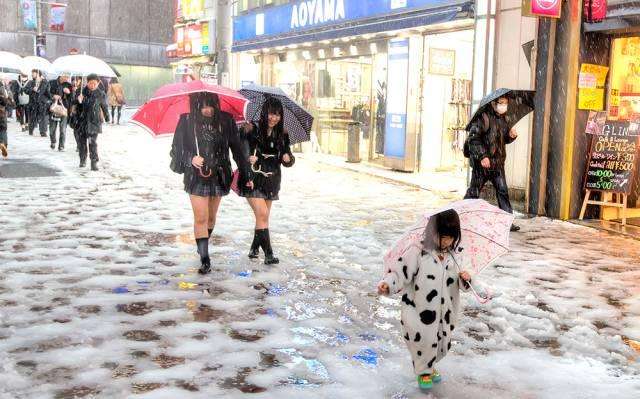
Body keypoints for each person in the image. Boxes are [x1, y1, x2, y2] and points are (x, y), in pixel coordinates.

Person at [377, 209, 473, 392]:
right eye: (442, 237)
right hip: (419, 310)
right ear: (432, 233)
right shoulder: (417, 252)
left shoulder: (456, 255)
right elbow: (400, 272)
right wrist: (388, 284)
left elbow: (463, 282)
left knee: (442, 343)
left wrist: (467, 278)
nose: (446, 242)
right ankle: (424, 371)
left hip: (446, 311)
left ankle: (430, 364)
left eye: (450, 238)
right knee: (424, 341)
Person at [170, 92, 253, 275]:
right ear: (196, 106)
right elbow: (176, 150)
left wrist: (246, 171)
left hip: (219, 174)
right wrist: (190, 158)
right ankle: (205, 258)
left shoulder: (226, 121)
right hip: (196, 176)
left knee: (210, 218)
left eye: (211, 106)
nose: (208, 110)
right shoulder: (187, 121)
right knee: (200, 217)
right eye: (203, 106)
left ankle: (202, 244)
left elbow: (237, 149)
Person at [239, 97, 295, 265]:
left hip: (272, 181)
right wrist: (249, 158)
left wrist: (287, 158)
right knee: (262, 215)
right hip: (253, 178)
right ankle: (269, 254)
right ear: (265, 113)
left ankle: (254, 248)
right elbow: (240, 152)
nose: (274, 118)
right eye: (271, 113)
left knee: (262, 217)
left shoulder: (282, 134)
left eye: (277, 115)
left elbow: (288, 159)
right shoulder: (252, 129)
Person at [464, 96, 520, 232]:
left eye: (506, 103)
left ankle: (507, 222)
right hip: (482, 165)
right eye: (501, 103)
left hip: (497, 164)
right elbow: (473, 139)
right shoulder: (483, 118)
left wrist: (511, 136)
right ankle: (462, 216)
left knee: (502, 191)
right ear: (494, 104)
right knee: (473, 192)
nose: (504, 106)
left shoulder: (504, 119)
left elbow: (501, 140)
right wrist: (483, 156)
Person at [74, 74, 110, 171]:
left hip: (94, 122)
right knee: (81, 143)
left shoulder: (101, 94)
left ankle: (94, 162)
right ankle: (82, 159)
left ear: (98, 83)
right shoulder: (80, 91)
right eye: (91, 83)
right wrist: (78, 101)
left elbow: (104, 106)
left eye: (95, 84)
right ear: (87, 82)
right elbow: (74, 104)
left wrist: (107, 117)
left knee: (92, 142)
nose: (93, 85)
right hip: (81, 121)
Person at [48, 74, 73, 151]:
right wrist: (53, 96)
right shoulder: (52, 83)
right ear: (61, 75)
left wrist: (69, 93)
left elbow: (72, 98)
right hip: (53, 108)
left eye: (68, 77)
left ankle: (61, 146)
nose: (67, 78)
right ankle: (53, 141)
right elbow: (46, 93)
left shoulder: (69, 85)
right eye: (65, 76)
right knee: (52, 129)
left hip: (64, 109)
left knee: (63, 129)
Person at [25, 69, 50, 137]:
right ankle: (31, 130)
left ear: (38, 74)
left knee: (43, 118)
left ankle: (43, 132)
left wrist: (42, 83)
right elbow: (25, 90)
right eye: (32, 73)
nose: (32, 74)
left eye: (33, 73)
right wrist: (32, 89)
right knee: (32, 117)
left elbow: (47, 92)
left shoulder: (44, 82)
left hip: (42, 103)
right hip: (33, 103)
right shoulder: (31, 82)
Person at [0, 80, 14, 158]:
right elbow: (10, 103)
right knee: (3, 129)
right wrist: (9, 98)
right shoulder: (4, 89)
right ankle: (3, 144)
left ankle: (2, 144)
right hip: (1, 112)